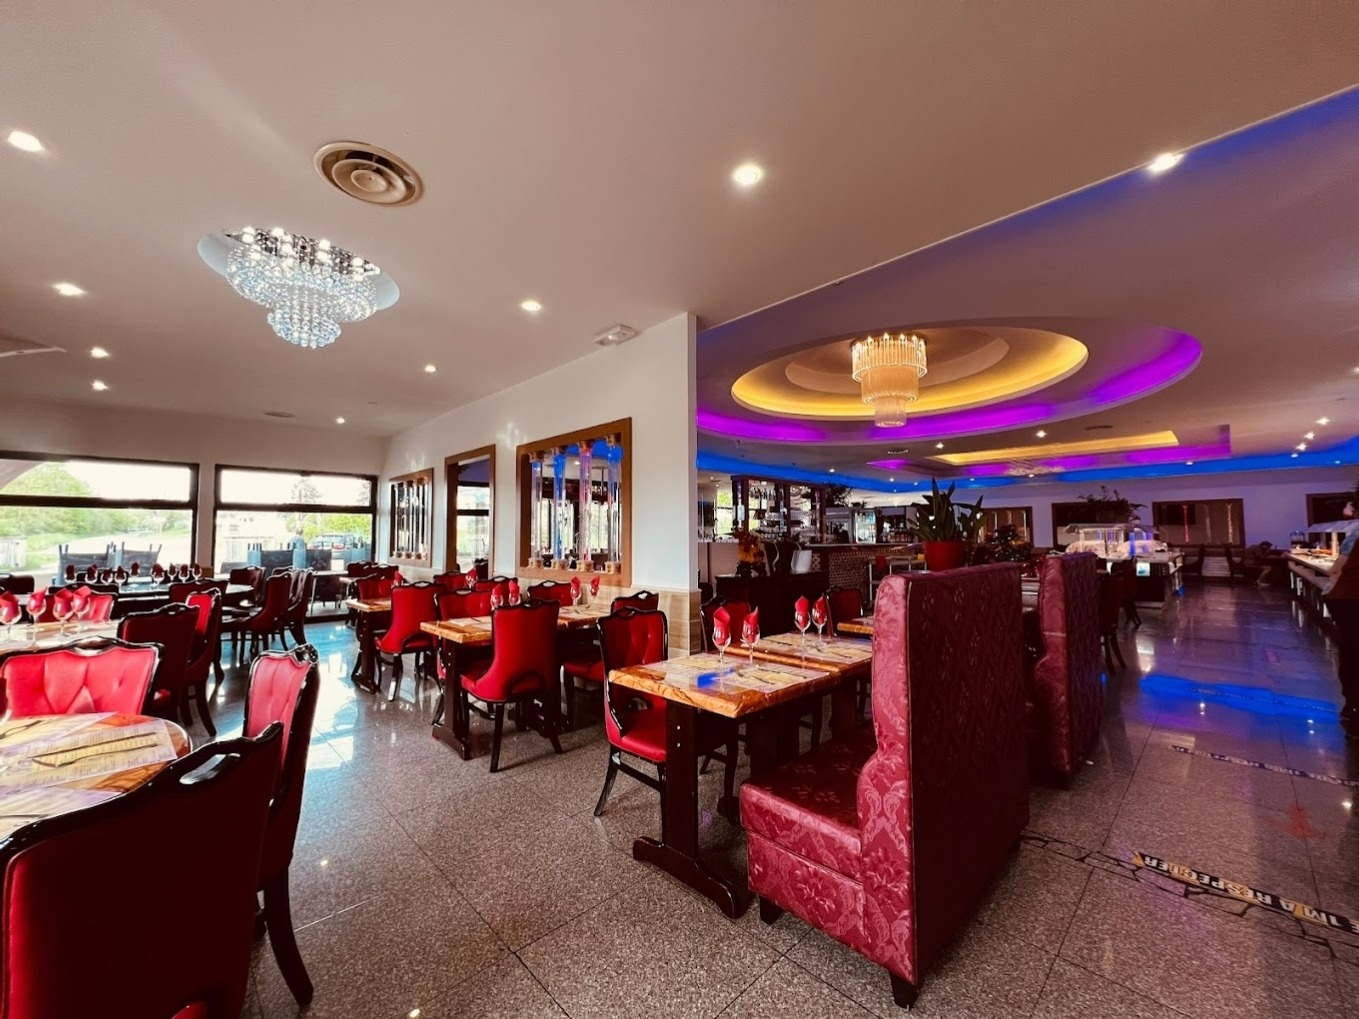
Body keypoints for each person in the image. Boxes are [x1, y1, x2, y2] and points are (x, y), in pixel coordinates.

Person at [1322, 496, 1359, 736]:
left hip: (1346, 599)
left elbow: (1338, 569)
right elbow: (1338, 569)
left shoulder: (1355, 534)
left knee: (1351, 652)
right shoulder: (1355, 534)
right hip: (1351, 599)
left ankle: (1352, 706)